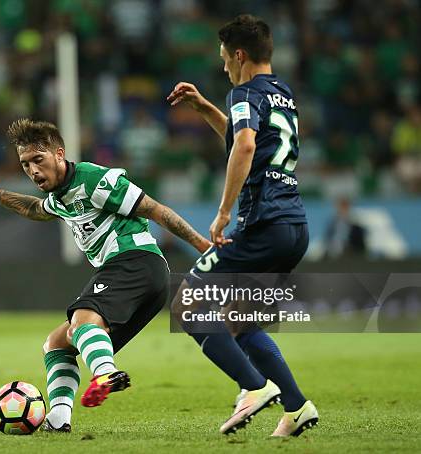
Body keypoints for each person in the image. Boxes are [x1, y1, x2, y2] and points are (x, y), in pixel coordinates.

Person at [0, 119, 211, 432]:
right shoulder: (60, 196)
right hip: (139, 279)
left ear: (59, 154)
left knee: (82, 320)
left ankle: (105, 372)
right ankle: (59, 419)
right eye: (25, 164)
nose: (33, 171)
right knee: (57, 344)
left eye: (39, 160)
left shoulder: (94, 180)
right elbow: (36, 209)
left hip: (135, 261)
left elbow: (156, 210)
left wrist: (202, 245)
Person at [167, 14, 318, 437]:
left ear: (239, 55)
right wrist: (203, 108)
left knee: (188, 307)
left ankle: (253, 386)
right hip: (293, 227)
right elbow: (244, 139)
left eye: (224, 58)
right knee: (241, 321)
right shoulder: (283, 93)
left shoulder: (243, 91)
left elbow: (246, 144)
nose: (223, 67)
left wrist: (222, 211)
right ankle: (296, 406)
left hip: (262, 225)